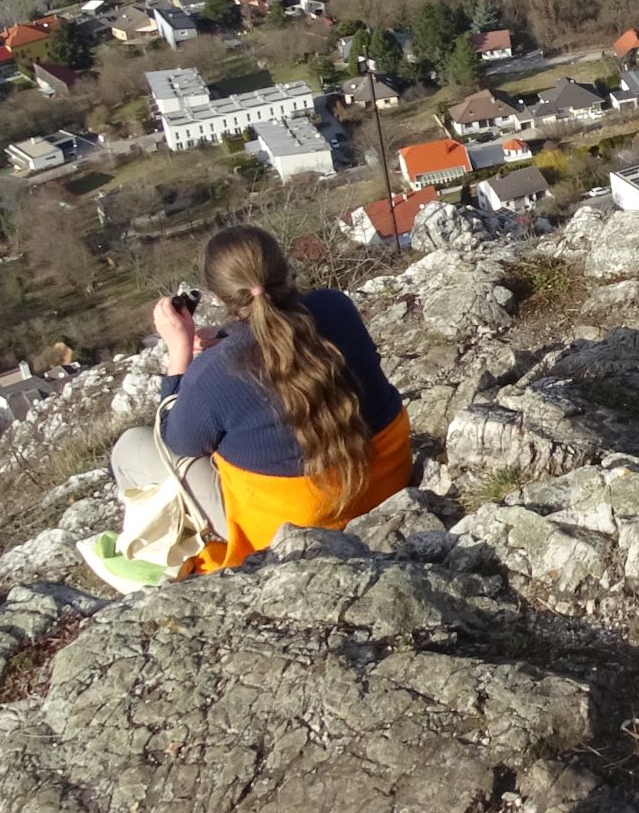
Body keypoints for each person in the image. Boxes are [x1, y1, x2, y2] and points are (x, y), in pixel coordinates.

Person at [105, 224, 410, 575]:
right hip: (387, 480)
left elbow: (177, 442)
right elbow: (286, 350)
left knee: (130, 447)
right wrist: (229, 340)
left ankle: (154, 559)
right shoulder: (335, 306)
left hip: (297, 525)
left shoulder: (214, 372)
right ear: (284, 269)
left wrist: (181, 353)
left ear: (220, 296)